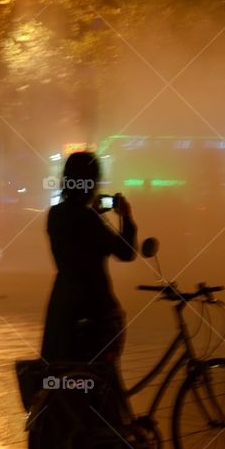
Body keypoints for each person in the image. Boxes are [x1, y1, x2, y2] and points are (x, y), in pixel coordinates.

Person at [41, 152, 137, 363]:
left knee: (64, 372)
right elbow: (126, 252)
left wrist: (92, 215)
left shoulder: (55, 214)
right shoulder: (88, 220)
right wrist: (127, 218)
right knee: (101, 379)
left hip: (63, 304)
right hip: (94, 308)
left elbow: (76, 239)